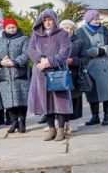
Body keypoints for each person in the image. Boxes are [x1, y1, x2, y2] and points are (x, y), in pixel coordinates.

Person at [27, 8, 73, 141]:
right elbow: (30, 49)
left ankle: (61, 129)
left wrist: (49, 61)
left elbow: (65, 52)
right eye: (45, 20)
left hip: (57, 72)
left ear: (54, 21)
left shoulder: (62, 34)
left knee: (60, 102)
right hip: (40, 73)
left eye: (50, 20)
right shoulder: (36, 34)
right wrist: (40, 59)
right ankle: (51, 128)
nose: (47, 23)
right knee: (45, 102)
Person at [77, 9, 108, 126]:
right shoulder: (81, 31)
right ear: (89, 20)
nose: (98, 21)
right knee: (92, 92)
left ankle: (107, 117)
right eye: (95, 19)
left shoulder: (104, 29)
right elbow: (80, 49)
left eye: (98, 19)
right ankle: (95, 117)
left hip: (106, 67)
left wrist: (107, 49)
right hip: (91, 68)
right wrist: (95, 51)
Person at [0, 18, 31, 133]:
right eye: (9, 27)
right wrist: (0, 61)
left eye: (13, 27)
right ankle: (14, 122)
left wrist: (14, 62)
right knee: (8, 100)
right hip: (5, 75)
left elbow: (27, 54)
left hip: (19, 73)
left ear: (17, 27)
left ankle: (22, 122)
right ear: (5, 28)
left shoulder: (24, 39)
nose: (11, 29)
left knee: (22, 99)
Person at [60, 19, 86, 134]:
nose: (69, 31)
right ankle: (59, 122)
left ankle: (73, 121)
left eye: (71, 29)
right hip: (59, 74)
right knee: (59, 98)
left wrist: (73, 61)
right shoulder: (56, 41)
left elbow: (85, 58)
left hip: (74, 74)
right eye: (66, 28)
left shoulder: (79, 42)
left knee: (75, 98)